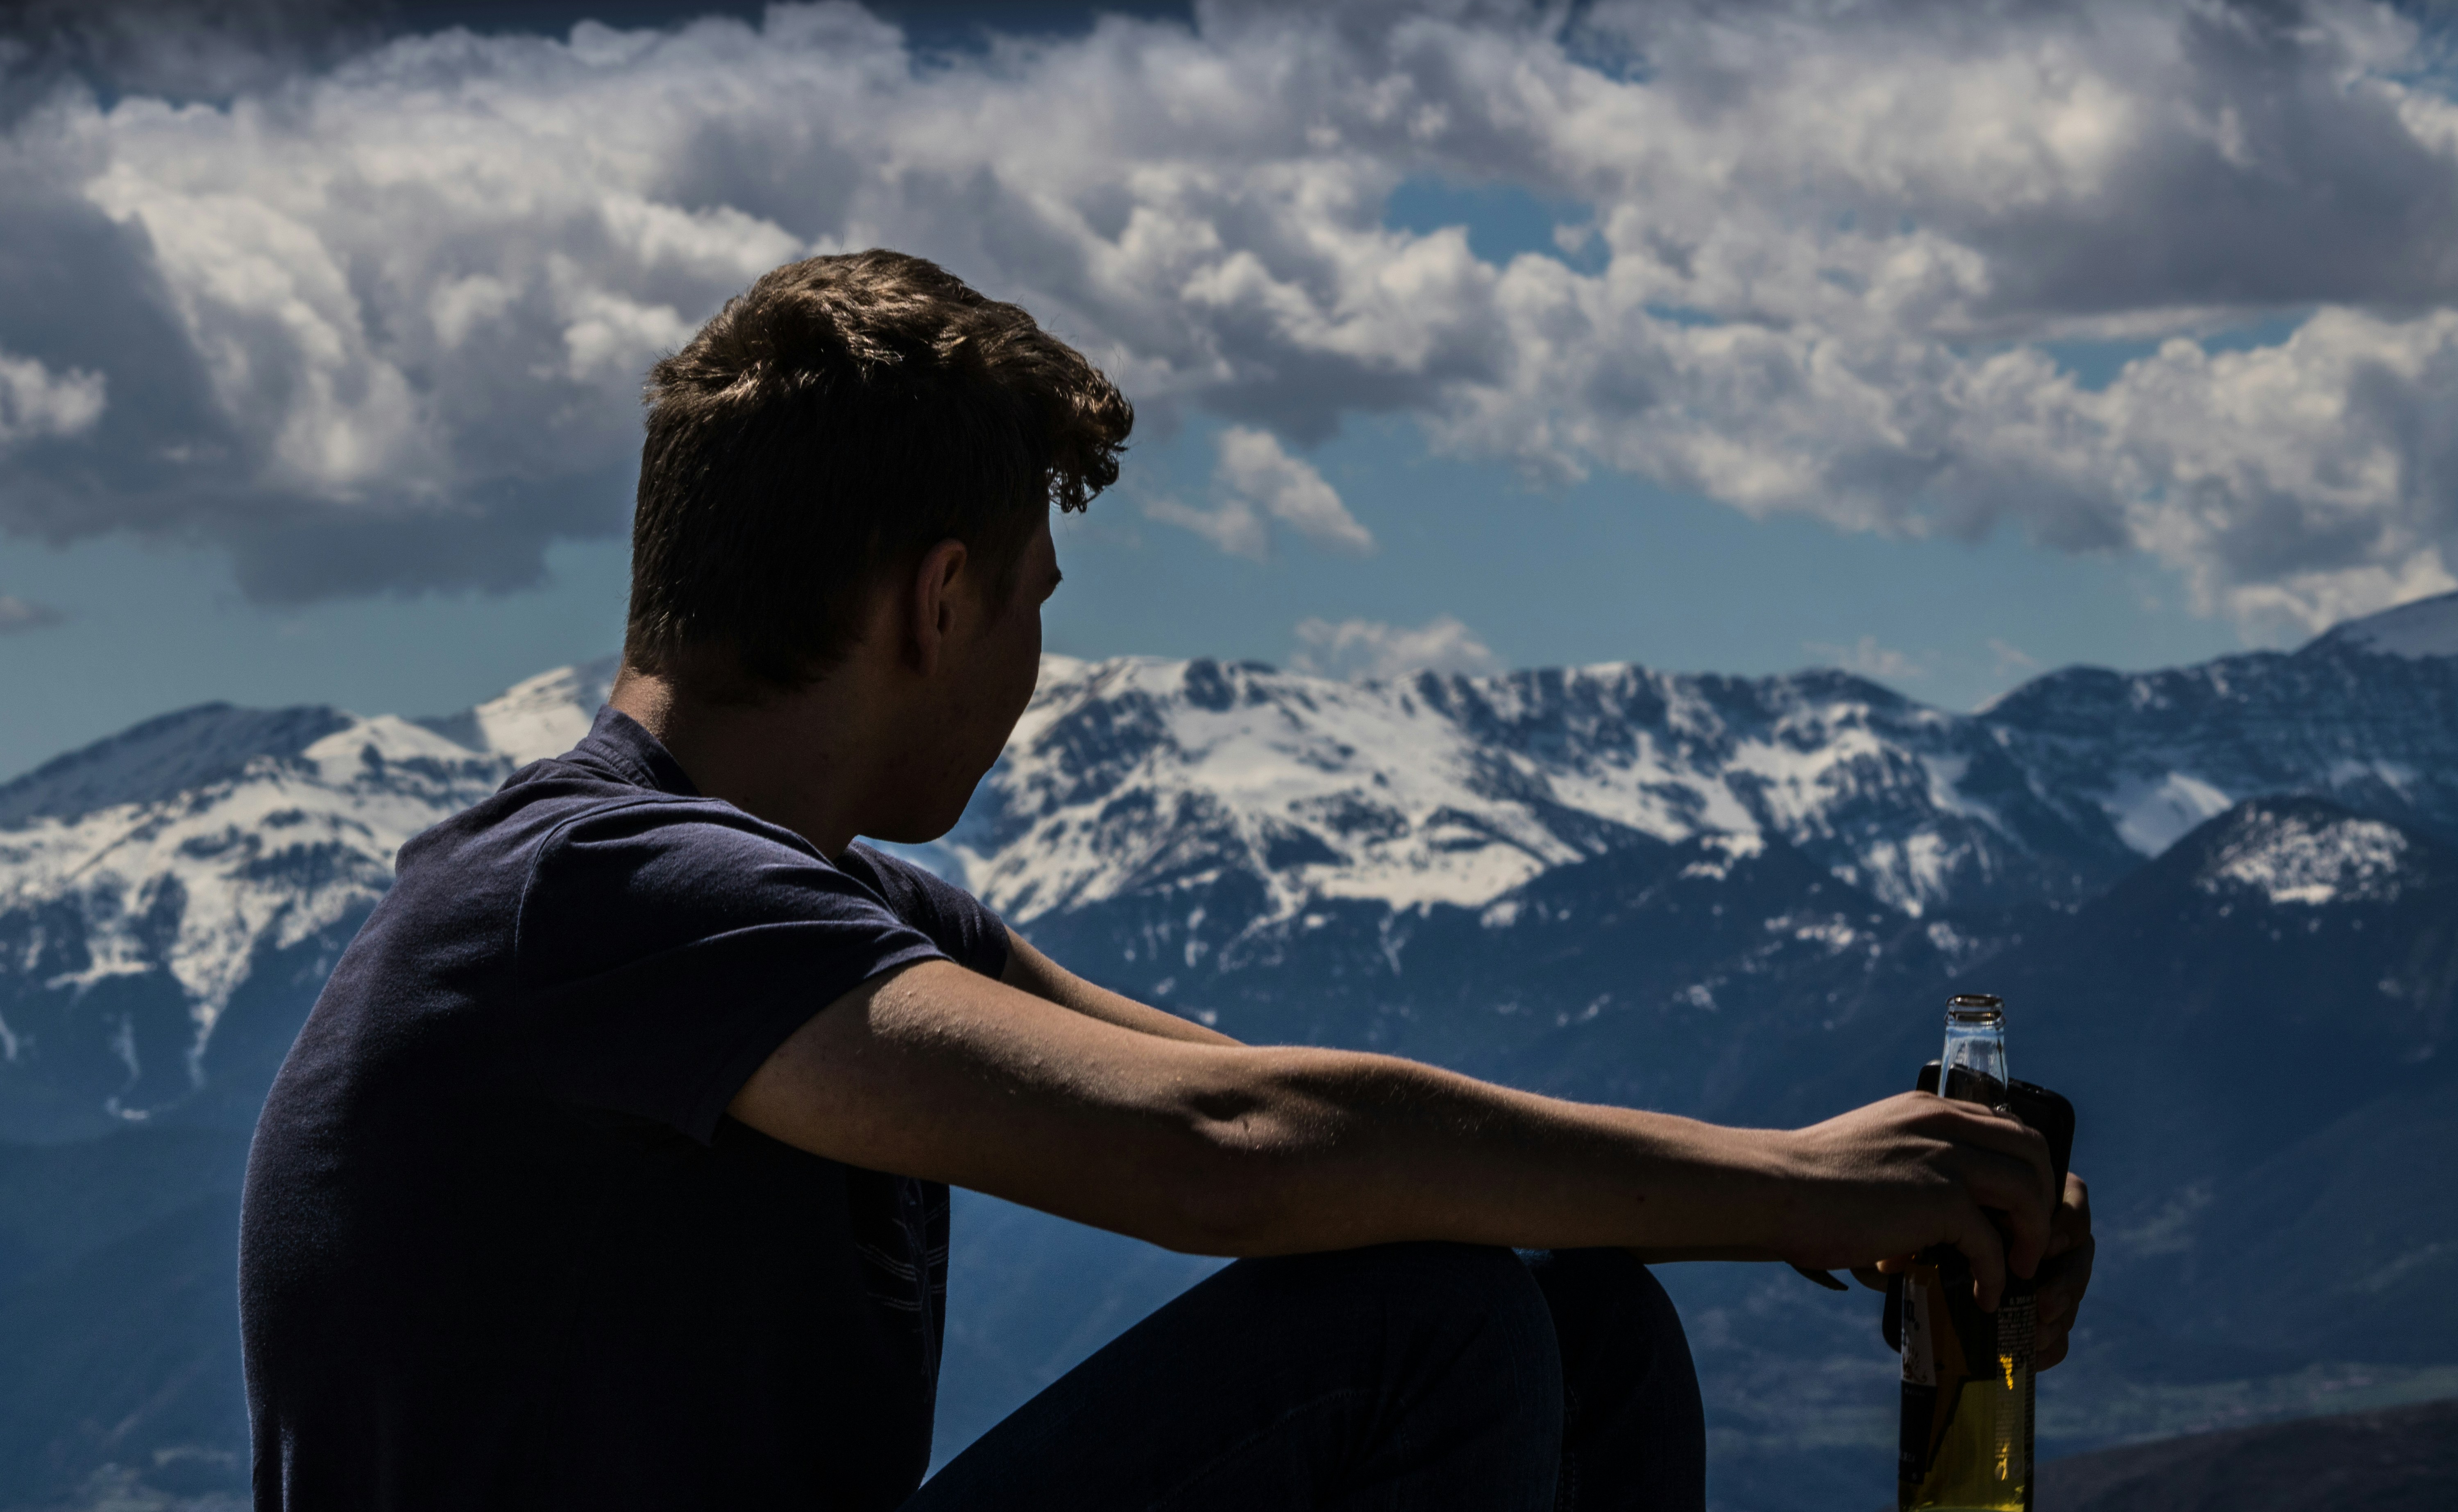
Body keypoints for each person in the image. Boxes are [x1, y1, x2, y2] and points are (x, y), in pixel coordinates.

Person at [238, 250, 2094, 1511]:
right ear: (939, 600)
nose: (1034, 667)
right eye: (1034, 605)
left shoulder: (799, 912)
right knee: (1427, 1335)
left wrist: (1839, 1189)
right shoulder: (594, 893)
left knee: (1568, 1304)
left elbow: (1290, 1110)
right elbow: (1230, 1147)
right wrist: (1792, 1185)